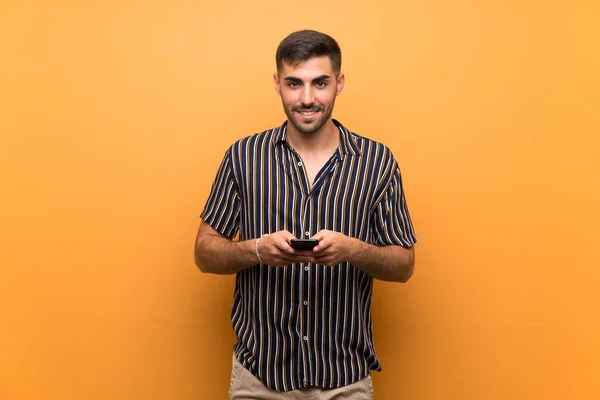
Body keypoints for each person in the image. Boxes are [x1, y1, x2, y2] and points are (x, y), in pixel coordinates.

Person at [195, 29, 417, 399]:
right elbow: (204, 252)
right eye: (294, 83)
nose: (307, 98)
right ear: (277, 83)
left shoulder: (377, 163)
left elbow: (404, 265)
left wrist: (353, 251)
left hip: (344, 380)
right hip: (259, 378)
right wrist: (256, 250)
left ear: (339, 83)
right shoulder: (243, 157)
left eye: (320, 83)